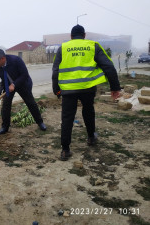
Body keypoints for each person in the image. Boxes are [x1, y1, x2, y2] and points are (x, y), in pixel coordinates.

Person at [52, 24, 121, 161]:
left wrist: (57, 89)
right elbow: (108, 66)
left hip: (68, 89)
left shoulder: (63, 48)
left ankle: (65, 150)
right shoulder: (93, 45)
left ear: (71, 37)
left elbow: (55, 71)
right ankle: (91, 138)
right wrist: (115, 87)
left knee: (67, 118)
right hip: (87, 87)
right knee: (88, 111)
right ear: (84, 35)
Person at [0, 49, 47, 134]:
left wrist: (14, 84)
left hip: (22, 83)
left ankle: (40, 122)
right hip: (8, 86)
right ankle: (5, 127)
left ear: (3, 58)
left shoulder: (16, 60)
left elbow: (24, 74)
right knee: (6, 106)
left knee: (31, 103)